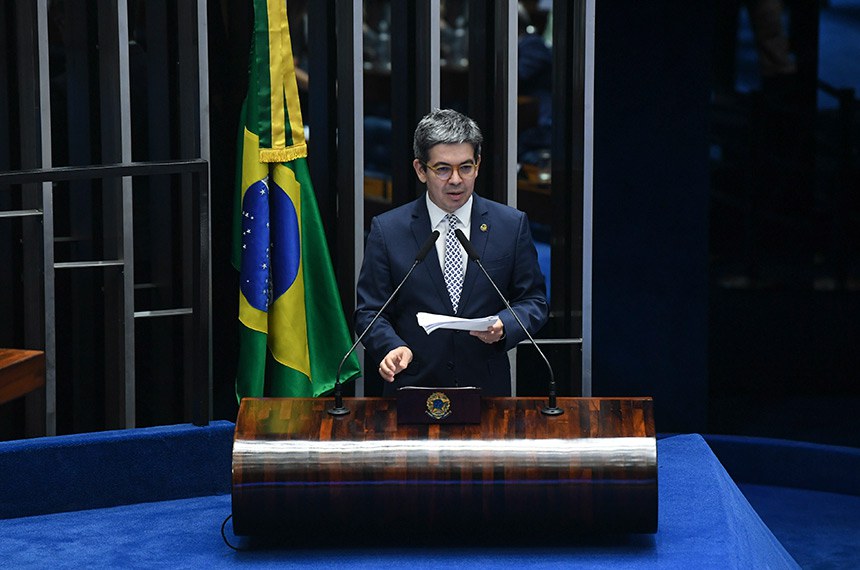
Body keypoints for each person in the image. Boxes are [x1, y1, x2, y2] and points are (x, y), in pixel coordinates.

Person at [355, 109, 549, 396]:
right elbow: (370, 311)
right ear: (421, 170)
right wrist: (391, 346)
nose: (456, 180)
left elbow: (533, 300)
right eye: (443, 169)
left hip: (487, 392)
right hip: (414, 388)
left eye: (466, 167)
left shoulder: (510, 225)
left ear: (478, 165)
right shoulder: (388, 230)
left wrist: (505, 324)